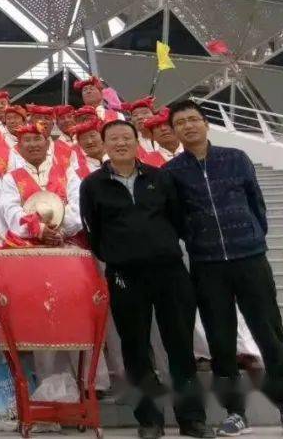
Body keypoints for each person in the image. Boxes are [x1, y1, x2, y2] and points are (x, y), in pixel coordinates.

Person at [165, 100, 283, 437]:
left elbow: (256, 201)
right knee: (220, 339)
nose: (189, 126)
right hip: (207, 264)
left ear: (205, 123)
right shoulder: (173, 172)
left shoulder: (235, 158)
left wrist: (253, 236)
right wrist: (198, 238)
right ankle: (234, 411)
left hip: (250, 258)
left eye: (194, 119)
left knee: (269, 334)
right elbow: (176, 218)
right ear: (174, 131)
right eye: (181, 122)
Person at [79, 120, 213, 439]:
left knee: (179, 345)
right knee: (136, 348)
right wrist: (120, 254)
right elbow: (92, 232)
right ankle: (149, 420)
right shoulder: (93, 185)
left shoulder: (160, 177)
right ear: (104, 144)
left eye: (127, 137)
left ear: (138, 141)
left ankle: (191, 418)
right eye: (114, 138)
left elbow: (179, 220)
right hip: (125, 276)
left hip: (169, 272)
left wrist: (158, 246)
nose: (121, 143)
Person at [0, 123, 81, 247]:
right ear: (19, 147)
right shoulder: (11, 178)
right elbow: (11, 211)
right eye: (27, 140)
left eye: (37, 139)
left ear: (47, 145)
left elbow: (78, 204)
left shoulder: (67, 171)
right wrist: (39, 230)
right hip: (28, 247)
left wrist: (60, 231)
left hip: (67, 241)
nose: (33, 144)